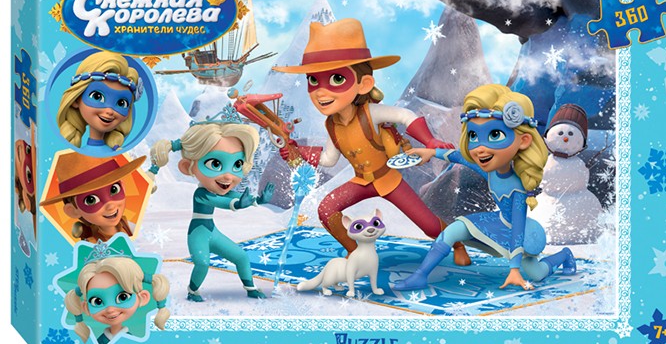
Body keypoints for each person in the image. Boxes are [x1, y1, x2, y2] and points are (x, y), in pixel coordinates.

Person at [272, 18, 470, 265]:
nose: (321, 91)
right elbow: (329, 159)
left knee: (429, 225)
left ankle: (457, 244)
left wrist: (430, 140)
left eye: (336, 79)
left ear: (363, 84)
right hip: (361, 181)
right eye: (313, 80)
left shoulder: (370, 113)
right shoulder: (332, 124)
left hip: (388, 180)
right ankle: (355, 251)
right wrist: (299, 151)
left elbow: (405, 116)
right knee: (326, 209)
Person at [394, 83, 576, 291]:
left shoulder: (518, 187)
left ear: (524, 140)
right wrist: (431, 152)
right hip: (495, 221)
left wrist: (514, 269)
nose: (480, 148)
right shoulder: (490, 171)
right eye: (473, 136)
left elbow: (517, 228)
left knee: (537, 273)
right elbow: (458, 157)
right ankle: (420, 276)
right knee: (453, 230)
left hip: (518, 234)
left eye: (495, 135)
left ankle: (564, 255)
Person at [150, 122, 274, 301]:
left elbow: (235, 195)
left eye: (237, 164)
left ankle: (251, 288)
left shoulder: (220, 189)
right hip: (198, 233)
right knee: (202, 263)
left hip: (212, 232)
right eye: (215, 164)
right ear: (187, 167)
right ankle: (192, 291)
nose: (228, 175)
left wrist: (258, 200)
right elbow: (222, 201)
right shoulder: (201, 193)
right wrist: (239, 204)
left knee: (241, 257)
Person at [63, 240, 170, 344]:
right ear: (86, 308)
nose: (110, 309)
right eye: (97, 302)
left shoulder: (133, 342)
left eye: (123, 297)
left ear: (143, 297)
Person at [40, 151, 147, 242]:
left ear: (123, 187)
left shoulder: (128, 226)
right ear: (72, 210)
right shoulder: (90, 243)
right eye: (91, 200)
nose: (110, 206)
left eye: (114, 189)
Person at [57, 51, 142, 152]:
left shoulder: (120, 154)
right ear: (76, 99)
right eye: (97, 97)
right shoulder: (69, 155)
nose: (109, 111)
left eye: (121, 103)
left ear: (128, 112)